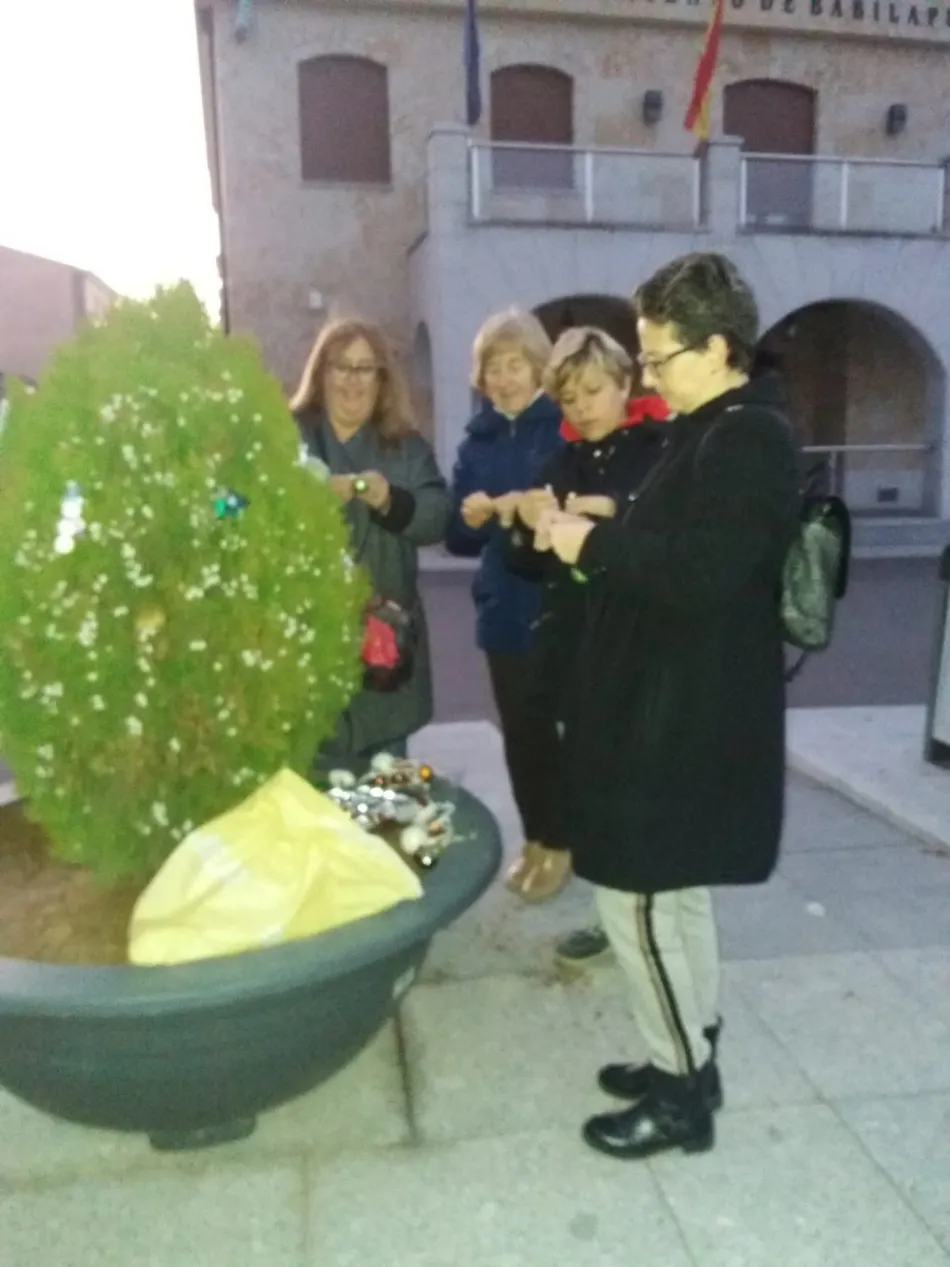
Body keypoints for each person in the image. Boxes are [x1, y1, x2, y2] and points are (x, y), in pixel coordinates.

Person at [537, 253, 800, 1160]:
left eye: (658, 357)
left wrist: (591, 543)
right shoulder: (714, 423)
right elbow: (686, 541)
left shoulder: (747, 437)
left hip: (679, 718)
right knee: (677, 897)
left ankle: (682, 1092)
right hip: (673, 706)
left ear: (718, 347)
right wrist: (611, 522)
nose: (647, 377)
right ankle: (690, 1049)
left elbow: (701, 574)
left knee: (638, 902)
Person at [504, 327, 669, 973]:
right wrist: (526, 526)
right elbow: (526, 566)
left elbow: (678, 543)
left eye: (594, 391)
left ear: (625, 383)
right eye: (570, 398)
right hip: (577, 651)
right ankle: (616, 917)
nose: (582, 407)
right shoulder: (561, 461)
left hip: (640, 650)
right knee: (597, 790)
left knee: (640, 791)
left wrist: (617, 512)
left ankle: (650, 920)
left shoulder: (659, 450)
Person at [446, 308, 567, 901]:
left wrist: (524, 504)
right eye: (493, 367)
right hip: (502, 606)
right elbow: (456, 537)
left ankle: (563, 841)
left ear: (538, 367)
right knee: (520, 732)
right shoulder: (477, 440)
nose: (504, 378)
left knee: (556, 731)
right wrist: (470, 518)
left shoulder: (561, 429)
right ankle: (536, 837)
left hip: (556, 602)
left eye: (515, 364)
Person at [291, 317, 450, 766]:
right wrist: (296, 497)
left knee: (384, 793)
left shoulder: (406, 447)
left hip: (384, 650)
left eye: (365, 368)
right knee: (313, 786)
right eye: (341, 366)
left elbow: (439, 517)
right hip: (306, 647)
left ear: (382, 380)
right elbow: (229, 504)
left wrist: (390, 501)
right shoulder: (287, 437)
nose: (353, 380)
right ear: (320, 374)